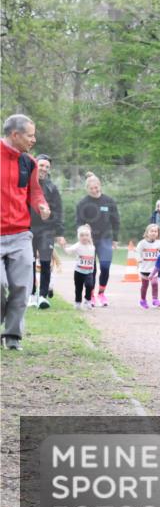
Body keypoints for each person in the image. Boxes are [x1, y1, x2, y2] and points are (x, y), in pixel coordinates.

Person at [1, 114, 51, 350]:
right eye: (30, 135)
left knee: (22, 287)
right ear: (15, 135)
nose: (34, 139)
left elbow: (34, 191)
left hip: (21, 233)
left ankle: (12, 337)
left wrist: (41, 204)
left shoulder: (28, 162)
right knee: (0, 286)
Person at [74, 174, 119, 307]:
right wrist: (83, 232)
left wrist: (115, 239)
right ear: (87, 189)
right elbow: (79, 223)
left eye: (96, 187)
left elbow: (115, 221)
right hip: (90, 241)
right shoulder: (83, 203)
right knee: (90, 269)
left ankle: (101, 293)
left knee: (105, 266)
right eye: (92, 188)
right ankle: (91, 294)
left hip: (105, 238)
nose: (95, 190)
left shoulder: (108, 201)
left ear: (100, 186)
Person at [29, 154, 63, 310]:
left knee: (44, 262)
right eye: (41, 165)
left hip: (46, 230)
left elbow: (58, 211)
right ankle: (30, 295)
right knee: (28, 262)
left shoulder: (52, 188)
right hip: (27, 228)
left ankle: (42, 296)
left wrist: (59, 232)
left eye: (47, 167)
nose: (44, 169)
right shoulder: (26, 183)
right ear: (35, 165)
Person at [63, 225, 97, 309]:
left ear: (89, 236)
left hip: (89, 272)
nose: (84, 237)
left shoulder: (92, 246)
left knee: (89, 285)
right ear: (79, 237)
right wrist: (64, 246)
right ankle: (77, 302)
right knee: (79, 288)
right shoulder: (77, 245)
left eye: (86, 235)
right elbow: (68, 251)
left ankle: (87, 301)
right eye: (82, 235)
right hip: (78, 272)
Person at [137, 223, 160, 308]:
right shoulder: (142, 243)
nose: (153, 233)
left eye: (156, 231)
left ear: (158, 233)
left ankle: (155, 299)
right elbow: (138, 252)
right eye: (151, 231)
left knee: (155, 283)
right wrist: (139, 259)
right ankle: (143, 300)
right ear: (147, 232)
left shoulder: (159, 243)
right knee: (145, 285)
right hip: (144, 268)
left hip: (154, 268)